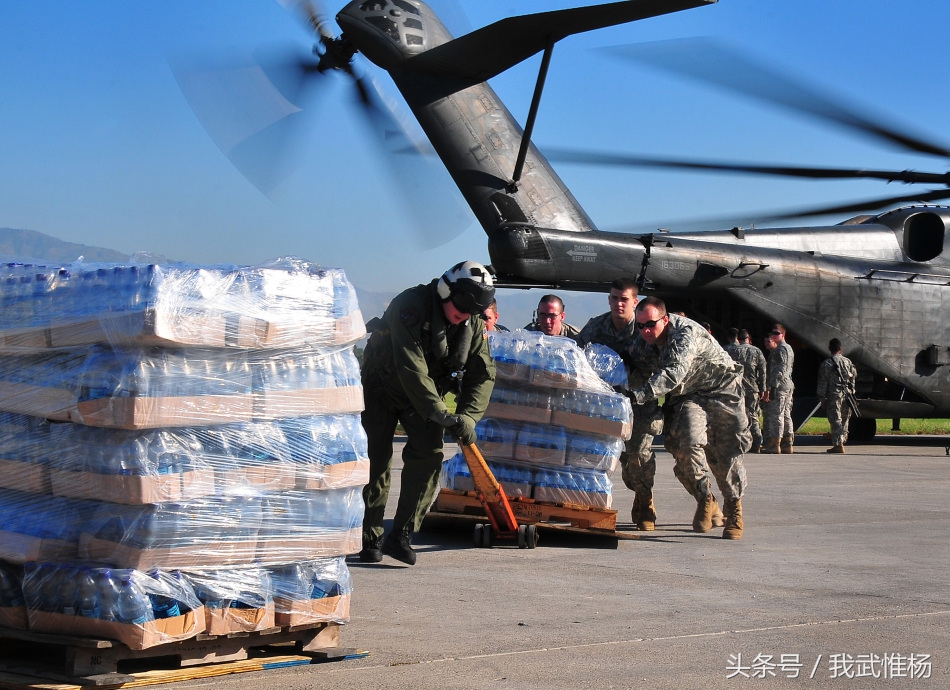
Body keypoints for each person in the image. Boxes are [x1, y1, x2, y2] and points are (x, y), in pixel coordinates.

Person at [359, 261, 497, 565]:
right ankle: (370, 536)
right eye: (461, 303)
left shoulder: (470, 325)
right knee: (375, 460)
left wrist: (468, 418)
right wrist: (438, 411)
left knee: (428, 457)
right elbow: (411, 365)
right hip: (382, 386)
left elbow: (483, 374)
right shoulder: (410, 305)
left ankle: (402, 534)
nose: (464, 313)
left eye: (474, 308)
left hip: (424, 398)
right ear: (446, 291)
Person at [626, 297, 750, 539]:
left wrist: (637, 395)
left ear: (665, 319)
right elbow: (637, 370)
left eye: (650, 324)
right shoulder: (643, 343)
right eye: (640, 326)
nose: (645, 331)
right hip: (690, 395)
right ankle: (705, 498)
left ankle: (733, 508)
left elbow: (673, 373)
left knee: (725, 454)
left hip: (723, 390)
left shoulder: (685, 333)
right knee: (687, 445)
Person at [576, 279, 660, 530]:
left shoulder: (646, 328)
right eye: (614, 298)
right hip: (606, 405)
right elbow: (577, 355)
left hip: (640, 403)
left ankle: (645, 502)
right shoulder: (596, 327)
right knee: (605, 457)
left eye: (624, 299)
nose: (618, 303)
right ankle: (591, 504)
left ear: (635, 302)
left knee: (637, 455)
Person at [728, 329, 767, 453]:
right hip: (752, 388)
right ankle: (757, 443)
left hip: (736, 388)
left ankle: (740, 442)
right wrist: (763, 389)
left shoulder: (731, 351)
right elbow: (763, 372)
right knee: (753, 416)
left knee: (737, 416)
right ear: (749, 338)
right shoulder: (756, 351)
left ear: (738, 339)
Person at [817, 338, 858, 454]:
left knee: (835, 419)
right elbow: (853, 378)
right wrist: (852, 391)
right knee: (845, 419)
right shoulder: (848, 362)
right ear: (840, 349)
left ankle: (838, 444)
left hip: (834, 395)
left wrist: (822, 398)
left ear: (830, 349)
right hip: (847, 394)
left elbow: (823, 382)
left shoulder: (827, 363)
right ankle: (842, 441)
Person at [762, 324, 795, 454]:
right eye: (773, 333)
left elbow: (780, 369)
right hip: (787, 384)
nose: (774, 335)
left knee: (777, 414)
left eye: (777, 333)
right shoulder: (788, 348)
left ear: (783, 335)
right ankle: (787, 443)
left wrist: (773, 386)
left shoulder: (781, 350)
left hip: (781, 385)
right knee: (786, 414)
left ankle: (775, 444)